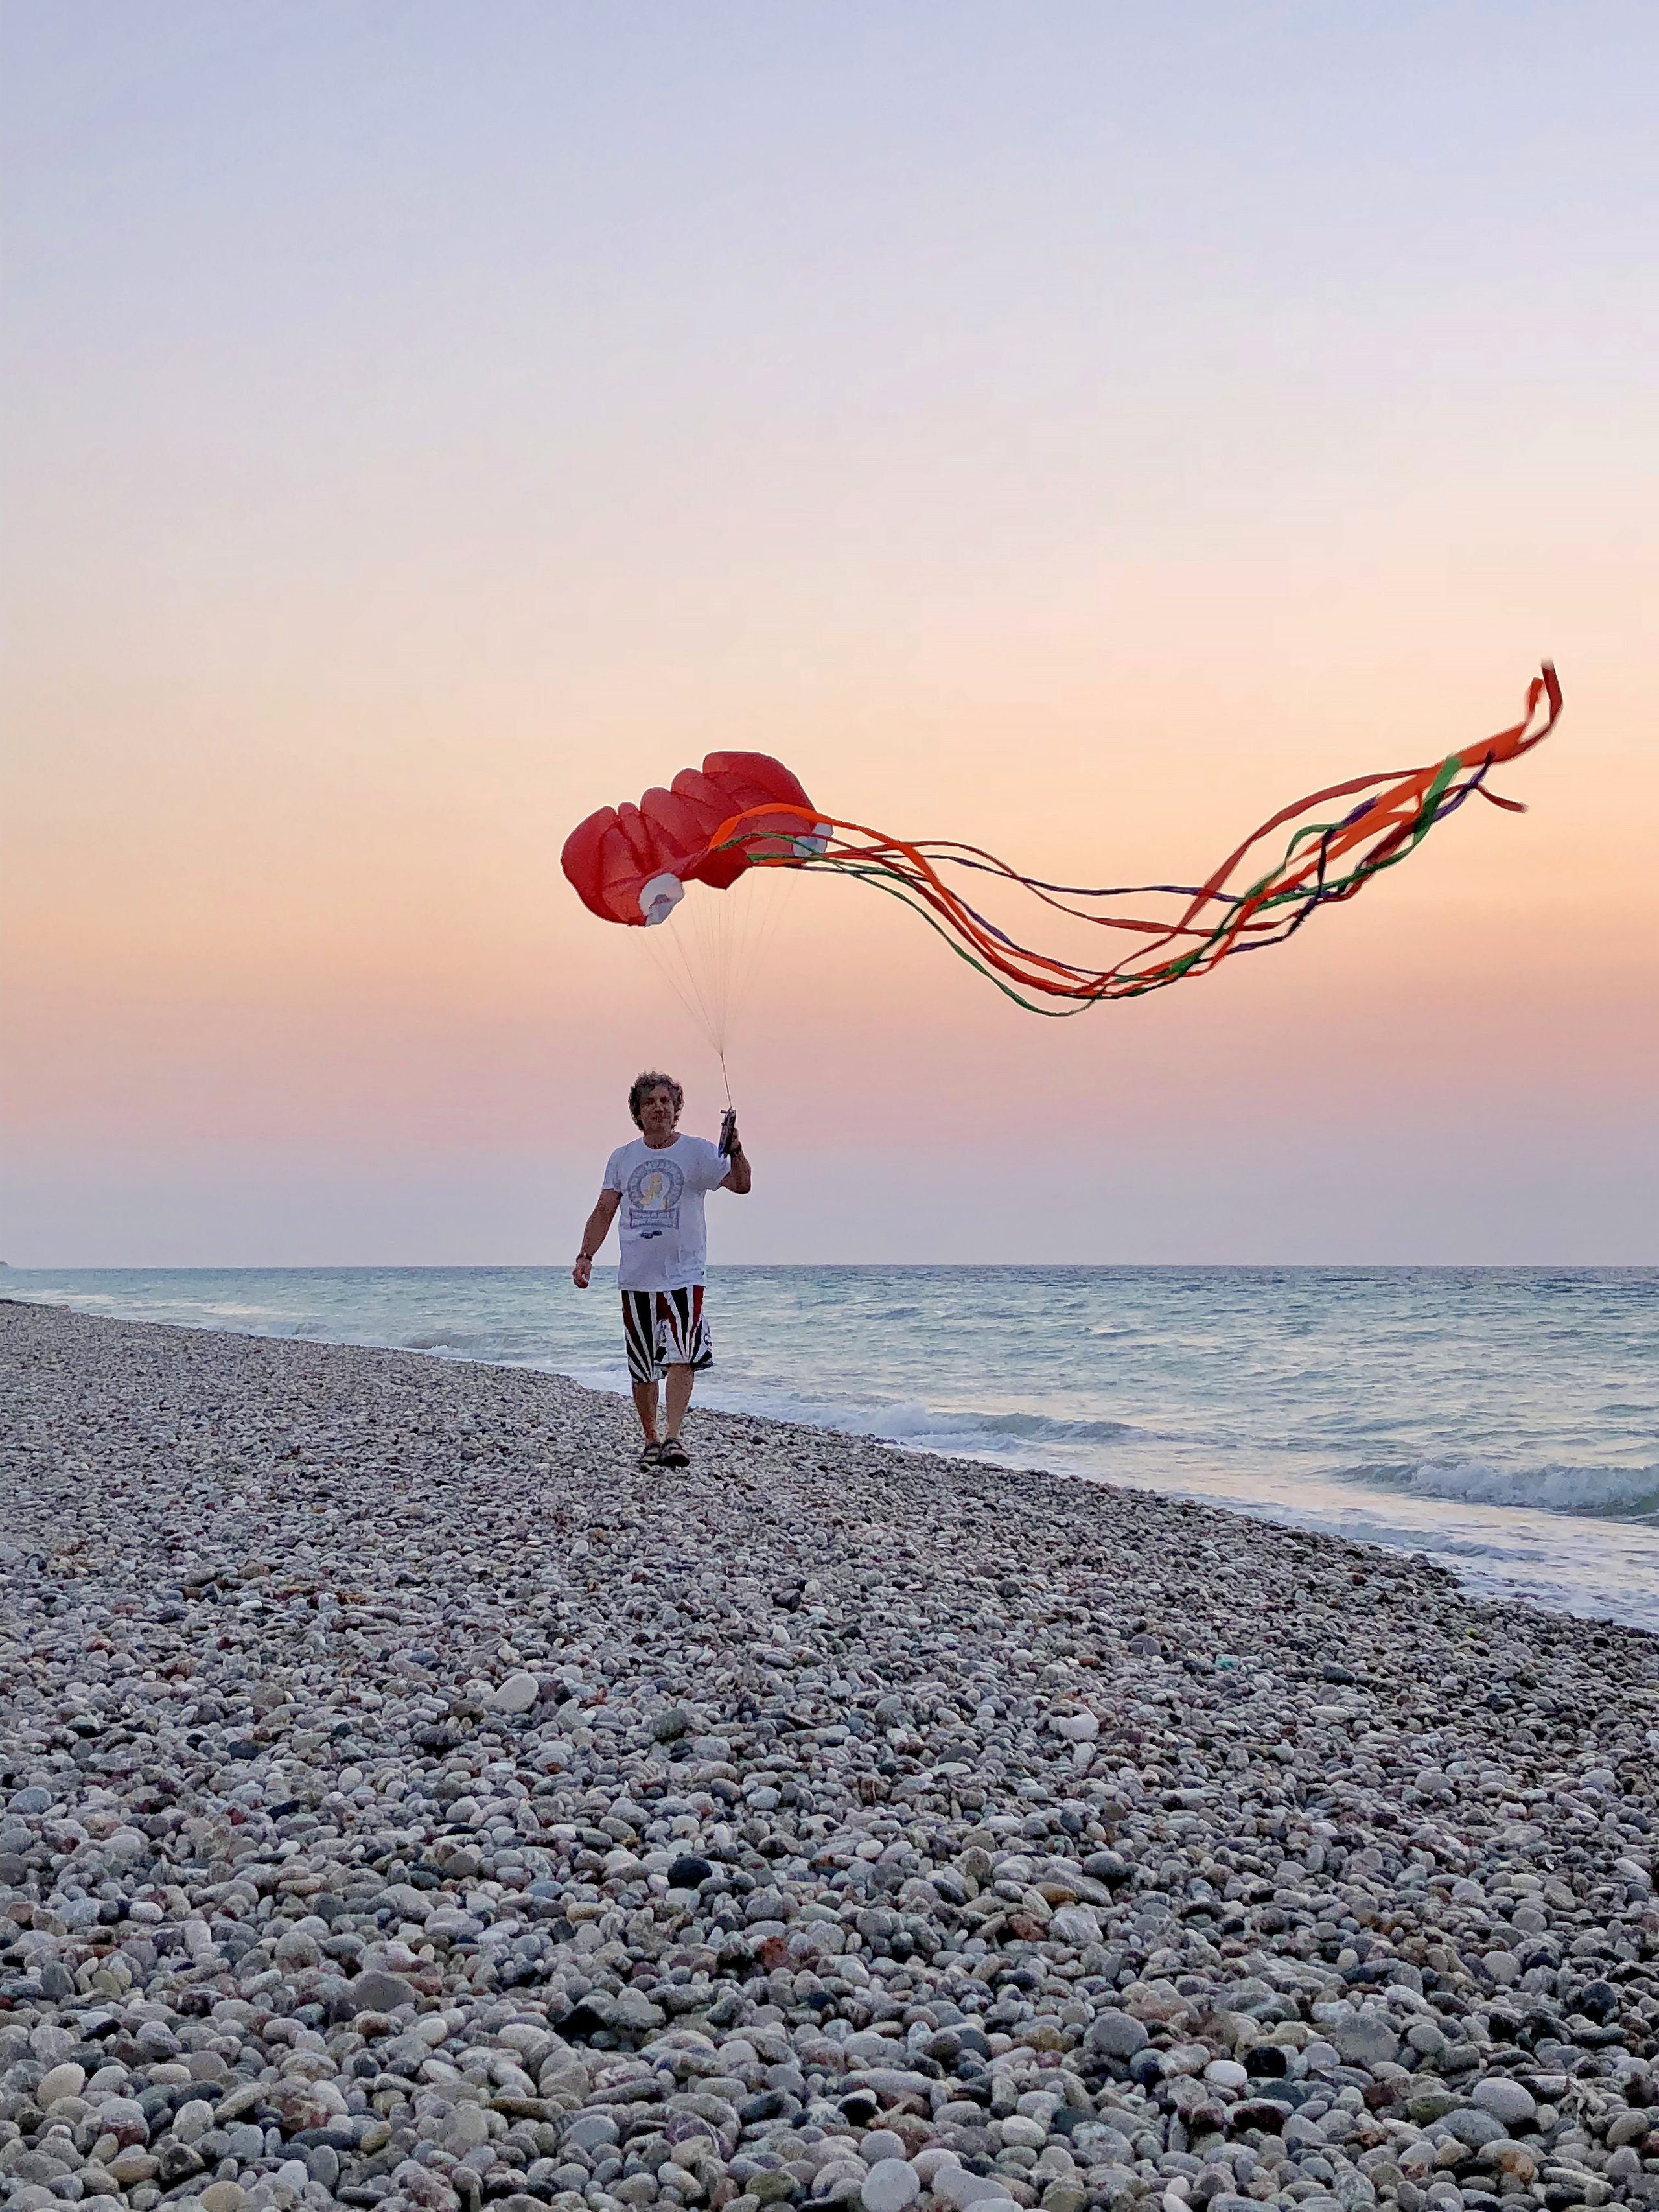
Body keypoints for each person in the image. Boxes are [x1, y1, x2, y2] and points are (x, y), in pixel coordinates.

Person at [572, 1071, 751, 1467]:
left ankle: (673, 1438)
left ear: (676, 1109)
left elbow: (741, 1185)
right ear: (637, 1111)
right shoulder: (622, 1158)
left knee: (682, 1355)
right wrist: (586, 1256)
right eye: (650, 1102)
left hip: (685, 1275)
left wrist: (736, 1150)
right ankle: (650, 1439)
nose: (659, 1108)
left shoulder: (699, 1153)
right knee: (642, 1363)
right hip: (636, 1276)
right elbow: (604, 1209)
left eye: (666, 1101)